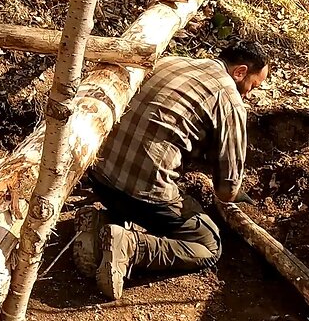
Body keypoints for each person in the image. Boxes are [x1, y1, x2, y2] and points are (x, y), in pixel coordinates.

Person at [83, 41, 271, 300]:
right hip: (140, 194)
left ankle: (101, 223)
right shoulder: (229, 99)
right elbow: (227, 190)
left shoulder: (171, 62)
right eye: (252, 86)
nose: (249, 94)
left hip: (98, 175)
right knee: (208, 244)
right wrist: (236, 193)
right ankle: (129, 246)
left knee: (140, 189)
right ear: (240, 72)